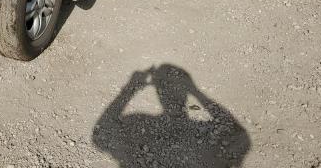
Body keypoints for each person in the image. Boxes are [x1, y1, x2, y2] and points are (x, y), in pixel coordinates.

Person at [93, 64, 250, 167]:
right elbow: (238, 132)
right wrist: (196, 92)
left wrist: (130, 89)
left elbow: (100, 135)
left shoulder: (137, 121)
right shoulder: (201, 130)